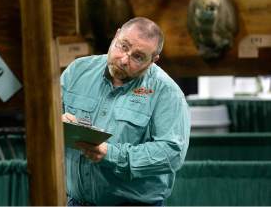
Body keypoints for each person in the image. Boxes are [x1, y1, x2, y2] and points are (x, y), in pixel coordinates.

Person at [61, 17, 190, 206]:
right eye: (123, 46)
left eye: (138, 57)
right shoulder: (77, 71)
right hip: (75, 202)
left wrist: (110, 154)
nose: (124, 60)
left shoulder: (166, 92)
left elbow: (172, 153)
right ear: (116, 35)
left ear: (153, 60)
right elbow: (45, 121)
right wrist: (57, 122)